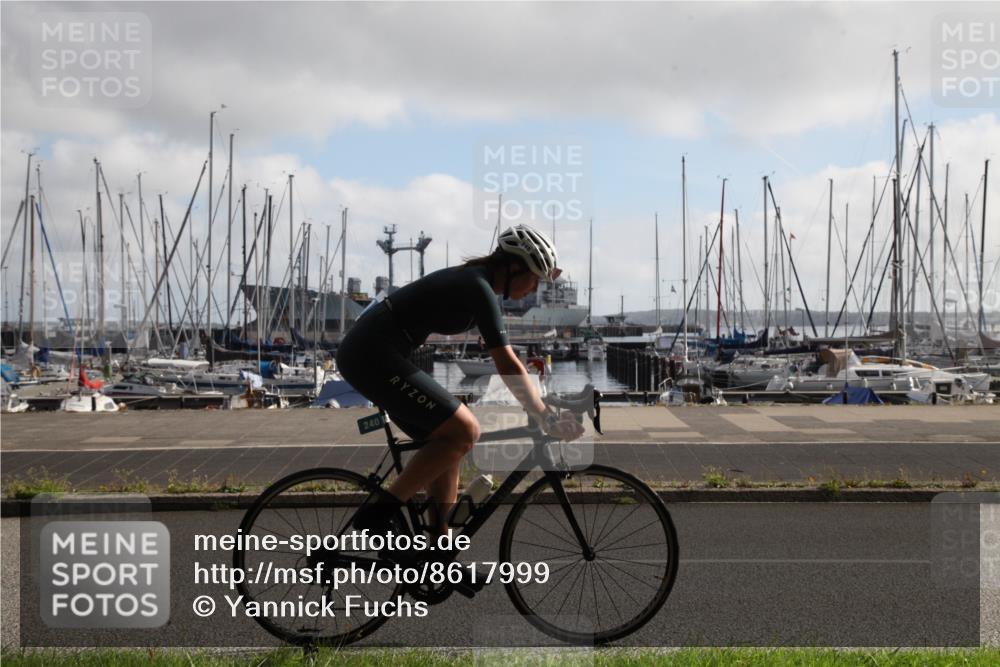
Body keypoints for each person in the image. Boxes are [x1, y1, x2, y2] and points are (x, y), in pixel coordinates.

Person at [337, 224, 584, 537]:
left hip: (376, 353)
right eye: (535, 278)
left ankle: (438, 544)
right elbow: (507, 363)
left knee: (448, 440)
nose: (534, 288)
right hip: (370, 354)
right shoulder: (477, 286)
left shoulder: (477, 282)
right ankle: (377, 515)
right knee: (465, 430)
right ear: (514, 267)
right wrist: (545, 417)